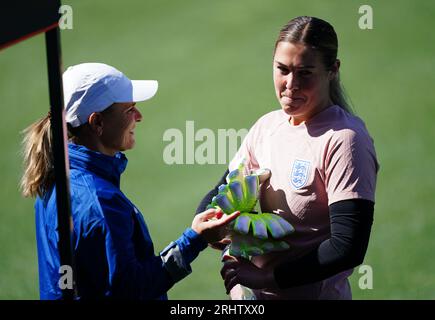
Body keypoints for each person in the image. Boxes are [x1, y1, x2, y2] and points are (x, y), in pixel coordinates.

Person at [21, 62, 239, 300]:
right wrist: (194, 240)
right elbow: (133, 290)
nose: (139, 117)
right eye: (129, 110)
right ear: (97, 123)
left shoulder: (57, 179)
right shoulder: (102, 202)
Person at [197, 16, 379, 299]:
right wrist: (209, 231)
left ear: (333, 70)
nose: (290, 84)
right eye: (282, 69)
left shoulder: (344, 139)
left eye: (305, 73)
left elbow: (347, 247)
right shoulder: (268, 126)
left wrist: (268, 277)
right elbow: (221, 195)